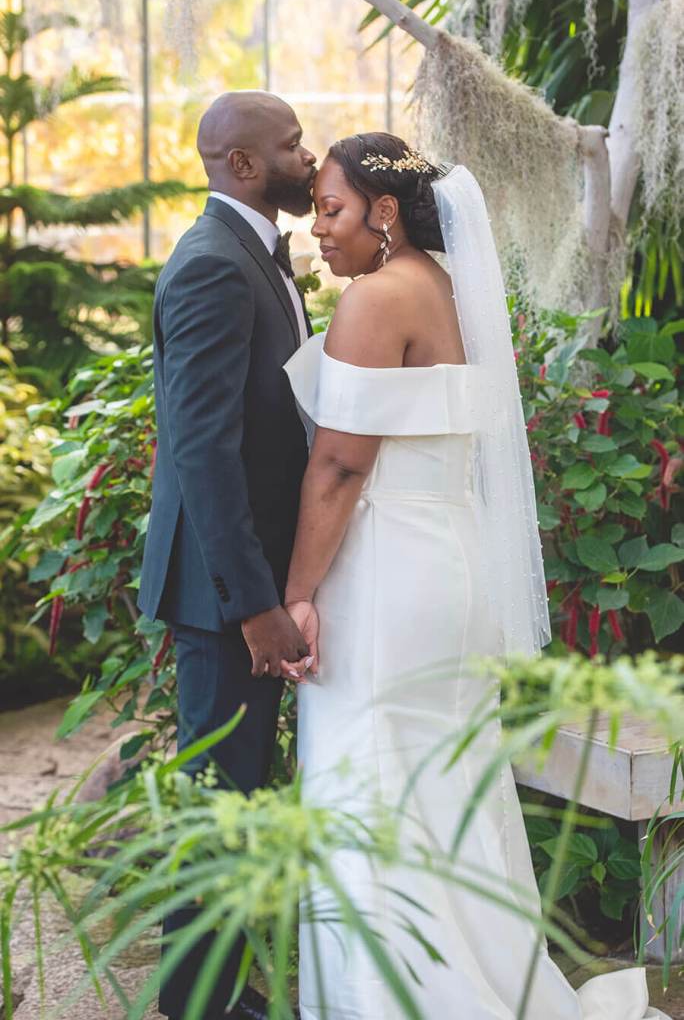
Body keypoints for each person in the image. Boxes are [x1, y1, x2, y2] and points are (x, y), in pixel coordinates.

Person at [282, 132, 670, 1019]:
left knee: (370, 776)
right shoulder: (452, 290)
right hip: (450, 562)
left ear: (385, 211)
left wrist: (298, 593)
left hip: (382, 569)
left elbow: (339, 466)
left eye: (332, 210)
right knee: (444, 778)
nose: (318, 230)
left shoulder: (377, 299)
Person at [137, 91, 316, 1020]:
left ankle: (208, 988)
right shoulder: (213, 263)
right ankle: (195, 1003)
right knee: (219, 797)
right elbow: (202, 450)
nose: (307, 157)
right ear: (243, 165)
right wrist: (253, 604)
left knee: (233, 788)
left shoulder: (253, 252)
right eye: (293, 145)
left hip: (244, 579)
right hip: (224, 596)